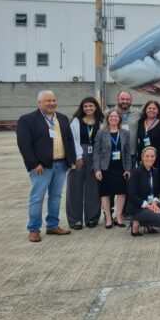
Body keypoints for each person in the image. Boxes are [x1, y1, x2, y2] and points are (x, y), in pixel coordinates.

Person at [17, 90, 76, 242]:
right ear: (39, 103)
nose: (52, 103)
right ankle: (34, 229)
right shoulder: (28, 119)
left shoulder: (62, 118)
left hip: (61, 164)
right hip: (41, 167)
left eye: (53, 100)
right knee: (37, 198)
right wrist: (33, 164)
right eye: (48, 101)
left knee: (56, 197)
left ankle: (52, 226)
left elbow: (69, 141)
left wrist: (71, 160)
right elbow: (24, 144)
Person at [67, 96, 103, 230]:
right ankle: (75, 219)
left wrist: (97, 161)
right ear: (82, 108)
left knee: (94, 188)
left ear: (96, 107)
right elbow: (71, 140)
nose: (88, 108)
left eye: (91, 106)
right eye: (85, 106)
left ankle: (92, 218)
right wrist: (77, 156)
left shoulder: (101, 121)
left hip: (95, 155)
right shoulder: (76, 122)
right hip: (79, 156)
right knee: (74, 187)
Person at [93, 109, 131, 229]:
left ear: (119, 119)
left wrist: (128, 168)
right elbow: (96, 152)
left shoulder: (125, 133)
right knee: (105, 193)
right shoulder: (101, 132)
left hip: (120, 167)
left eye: (116, 116)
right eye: (111, 116)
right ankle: (108, 218)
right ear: (107, 119)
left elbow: (128, 152)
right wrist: (97, 169)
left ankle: (118, 216)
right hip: (105, 168)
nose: (113, 118)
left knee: (121, 192)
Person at [127, 147, 160, 236]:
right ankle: (136, 222)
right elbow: (132, 195)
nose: (150, 158)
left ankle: (149, 221)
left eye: (152, 156)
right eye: (147, 156)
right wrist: (148, 206)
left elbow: (156, 192)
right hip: (138, 207)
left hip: (150, 203)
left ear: (155, 157)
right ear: (142, 157)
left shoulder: (155, 171)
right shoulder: (136, 172)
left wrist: (154, 203)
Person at [135, 100, 160, 195]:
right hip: (143, 157)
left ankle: (155, 202)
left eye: (154, 108)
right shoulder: (140, 122)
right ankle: (145, 204)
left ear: (158, 110)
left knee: (157, 180)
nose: (151, 110)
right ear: (145, 110)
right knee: (143, 180)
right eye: (149, 108)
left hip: (158, 157)